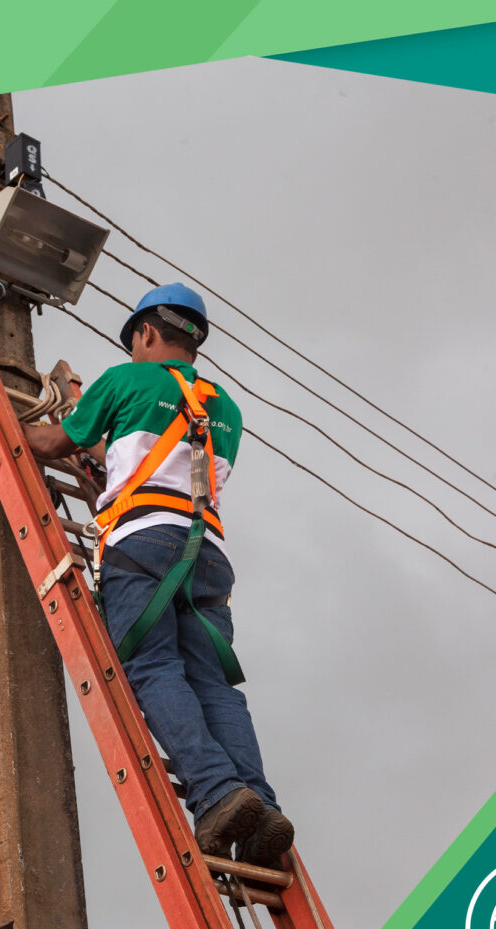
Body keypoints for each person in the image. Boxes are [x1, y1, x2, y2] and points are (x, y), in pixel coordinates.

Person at [23, 283, 293, 868]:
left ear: (146, 332)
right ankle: (262, 808)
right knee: (214, 685)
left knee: (152, 667)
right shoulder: (226, 408)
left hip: (142, 545)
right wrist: (104, 458)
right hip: (207, 553)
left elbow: (53, 441)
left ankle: (218, 792)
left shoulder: (125, 380)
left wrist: (7, 428)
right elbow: (166, 464)